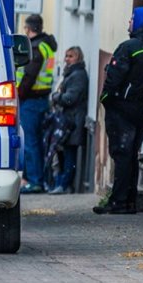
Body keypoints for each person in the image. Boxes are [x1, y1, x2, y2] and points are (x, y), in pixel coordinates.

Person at [95, 6, 143, 215]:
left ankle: (119, 202)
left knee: (122, 153)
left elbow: (114, 77)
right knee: (131, 153)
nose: (128, 24)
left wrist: (106, 98)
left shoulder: (129, 47)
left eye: (131, 20)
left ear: (137, 22)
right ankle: (129, 200)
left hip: (122, 109)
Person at [17, 13, 58, 194]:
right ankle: (36, 179)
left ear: (29, 28)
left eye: (25, 28)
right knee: (37, 142)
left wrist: (18, 95)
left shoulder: (35, 48)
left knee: (30, 142)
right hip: (41, 100)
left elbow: (29, 76)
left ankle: (35, 181)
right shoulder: (46, 46)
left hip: (31, 101)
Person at [48, 46, 89, 194]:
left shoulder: (78, 75)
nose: (67, 59)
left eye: (70, 56)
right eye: (66, 56)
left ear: (78, 57)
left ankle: (64, 185)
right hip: (67, 121)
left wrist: (56, 97)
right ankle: (60, 183)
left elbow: (70, 98)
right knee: (62, 154)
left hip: (72, 122)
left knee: (69, 155)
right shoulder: (71, 73)